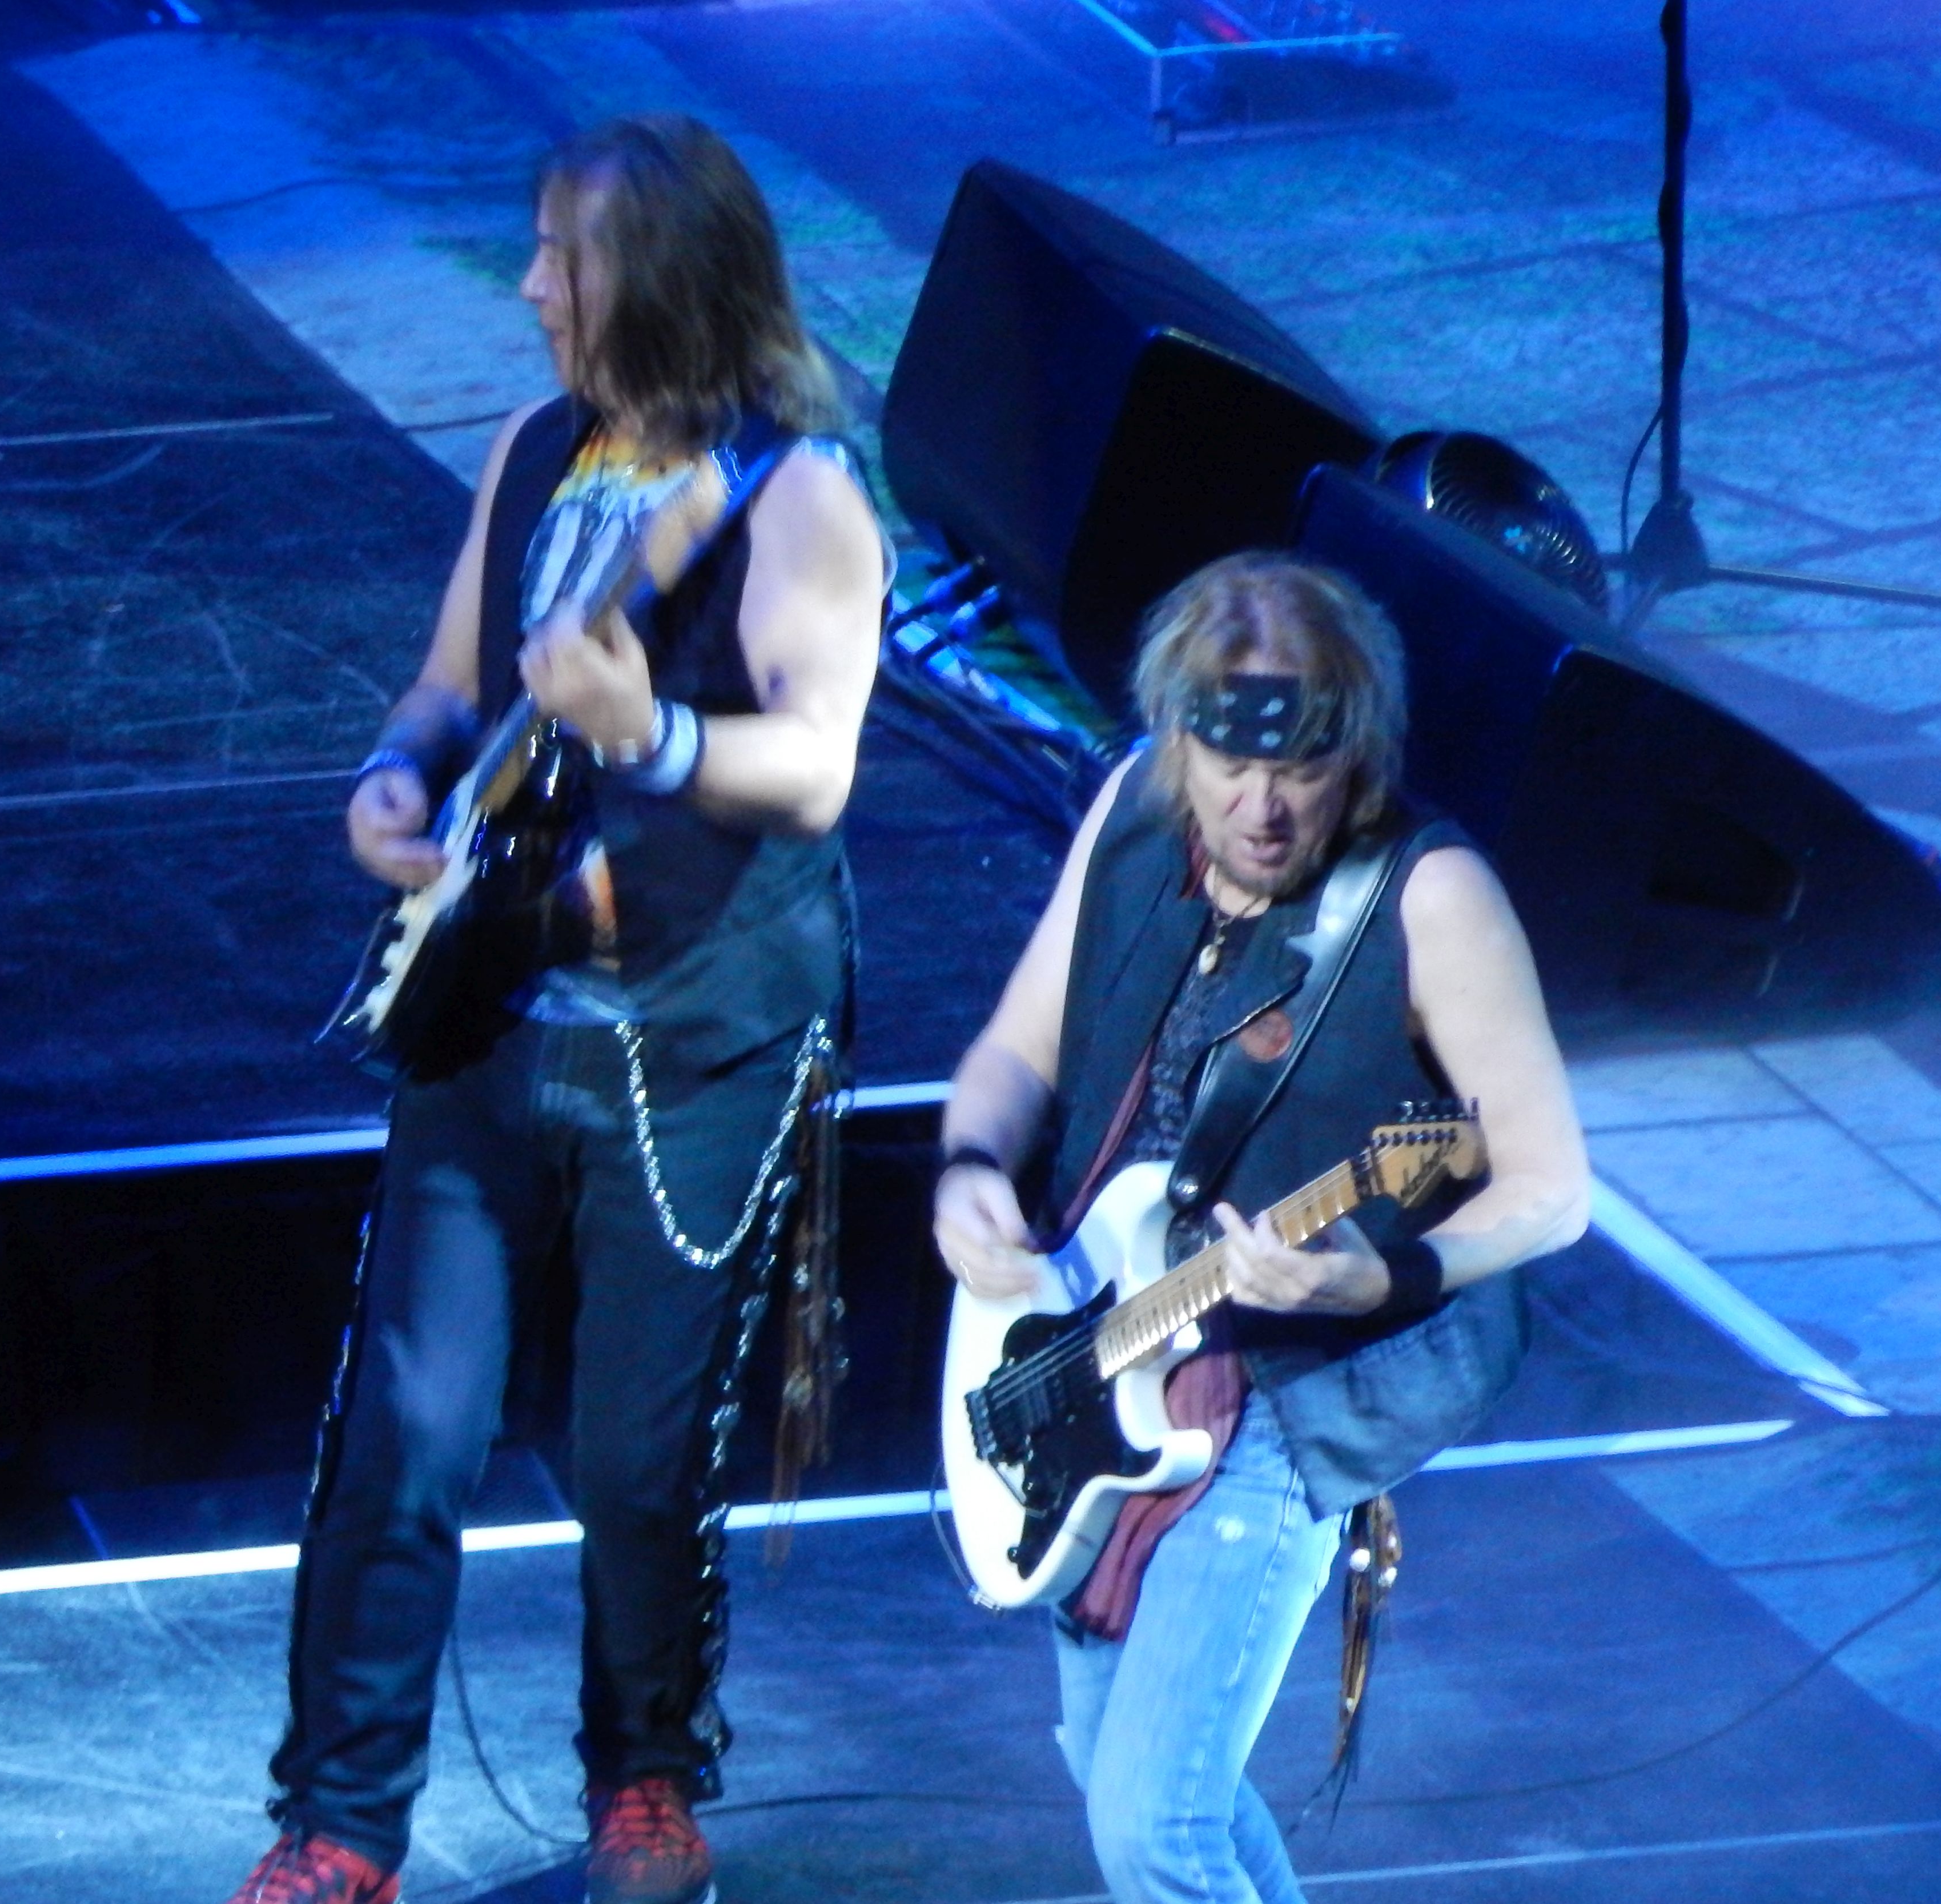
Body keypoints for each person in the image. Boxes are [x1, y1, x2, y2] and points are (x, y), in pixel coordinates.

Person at [226, 115, 886, 1904]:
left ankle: (646, 1777)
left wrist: (646, 733)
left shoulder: (800, 497)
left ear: (657, 280)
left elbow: (816, 767)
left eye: (560, 256)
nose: (529, 288)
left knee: (635, 1456)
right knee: (406, 1428)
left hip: (698, 1042)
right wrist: (393, 775)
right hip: (496, 1011)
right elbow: (449, 685)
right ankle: (341, 1823)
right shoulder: (535, 450)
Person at [933, 553, 1588, 1904]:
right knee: (1118, 1771)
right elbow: (1014, 1049)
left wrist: (1387, 1272)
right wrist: (965, 1167)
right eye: (1230, 768)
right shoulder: (1129, 812)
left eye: (1303, 770)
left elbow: (1549, 1183)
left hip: (1289, 1392)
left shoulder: (1429, 896)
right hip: (1105, 1346)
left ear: (1361, 749)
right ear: (1175, 739)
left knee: (1152, 1827)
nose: (1264, 807)